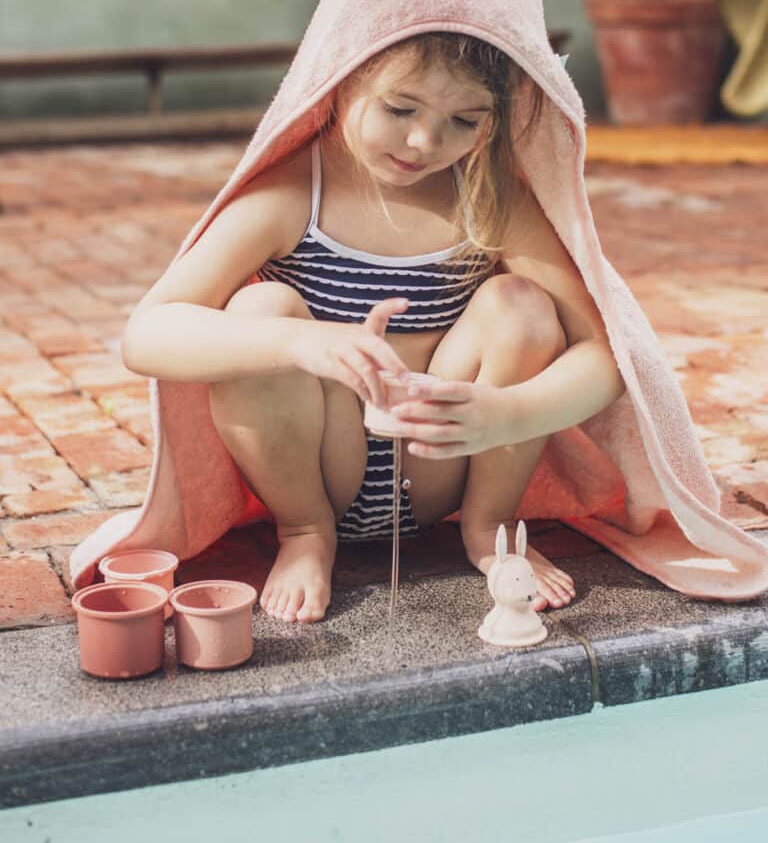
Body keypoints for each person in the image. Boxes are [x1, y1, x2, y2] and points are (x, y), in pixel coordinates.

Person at [121, 30, 625, 624]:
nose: (424, 141)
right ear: (341, 80)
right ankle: (305, 533)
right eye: (400, 108)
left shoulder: (488, 199)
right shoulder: (289, 196)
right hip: (324, 469)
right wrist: (300, 341)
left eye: (465, 120)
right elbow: (146, 335)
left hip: (443, 462)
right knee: (260, 314)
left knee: (520, 304)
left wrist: (509, 414)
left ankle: (490, 528)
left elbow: (605, 357)